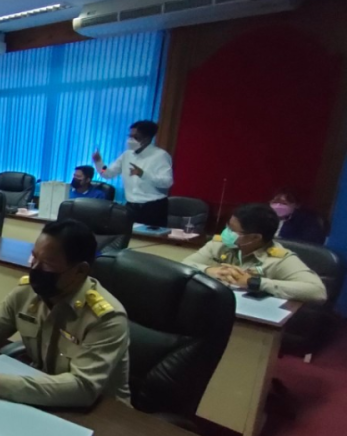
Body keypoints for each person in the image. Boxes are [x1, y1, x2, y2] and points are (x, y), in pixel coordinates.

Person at [0, 219, 131, 407]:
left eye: (47, 264)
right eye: (34, 258)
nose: (35, 269)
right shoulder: (27, 292)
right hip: (41, 394)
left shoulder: (106, 318)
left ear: (80, 271)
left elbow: (82, 386)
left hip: (106, 416)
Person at [183, 203, 327, 302]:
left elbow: (317, 291)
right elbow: (185, 265)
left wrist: (253, 282)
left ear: (255, 237)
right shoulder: (219, 244)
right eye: (228, 226)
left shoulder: (278, 258)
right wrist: (209, 270)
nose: (227, 232)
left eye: (233, 230)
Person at [93, 120, 173, 226]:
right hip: (131, 206)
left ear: (147, 138)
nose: (131, 140)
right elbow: (107, 174)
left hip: (153, 207)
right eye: (130, 136)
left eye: (136, 137)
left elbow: (167, 182)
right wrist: (99, 163)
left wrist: (143, 174)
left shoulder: (160, 156)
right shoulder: (127, 155)